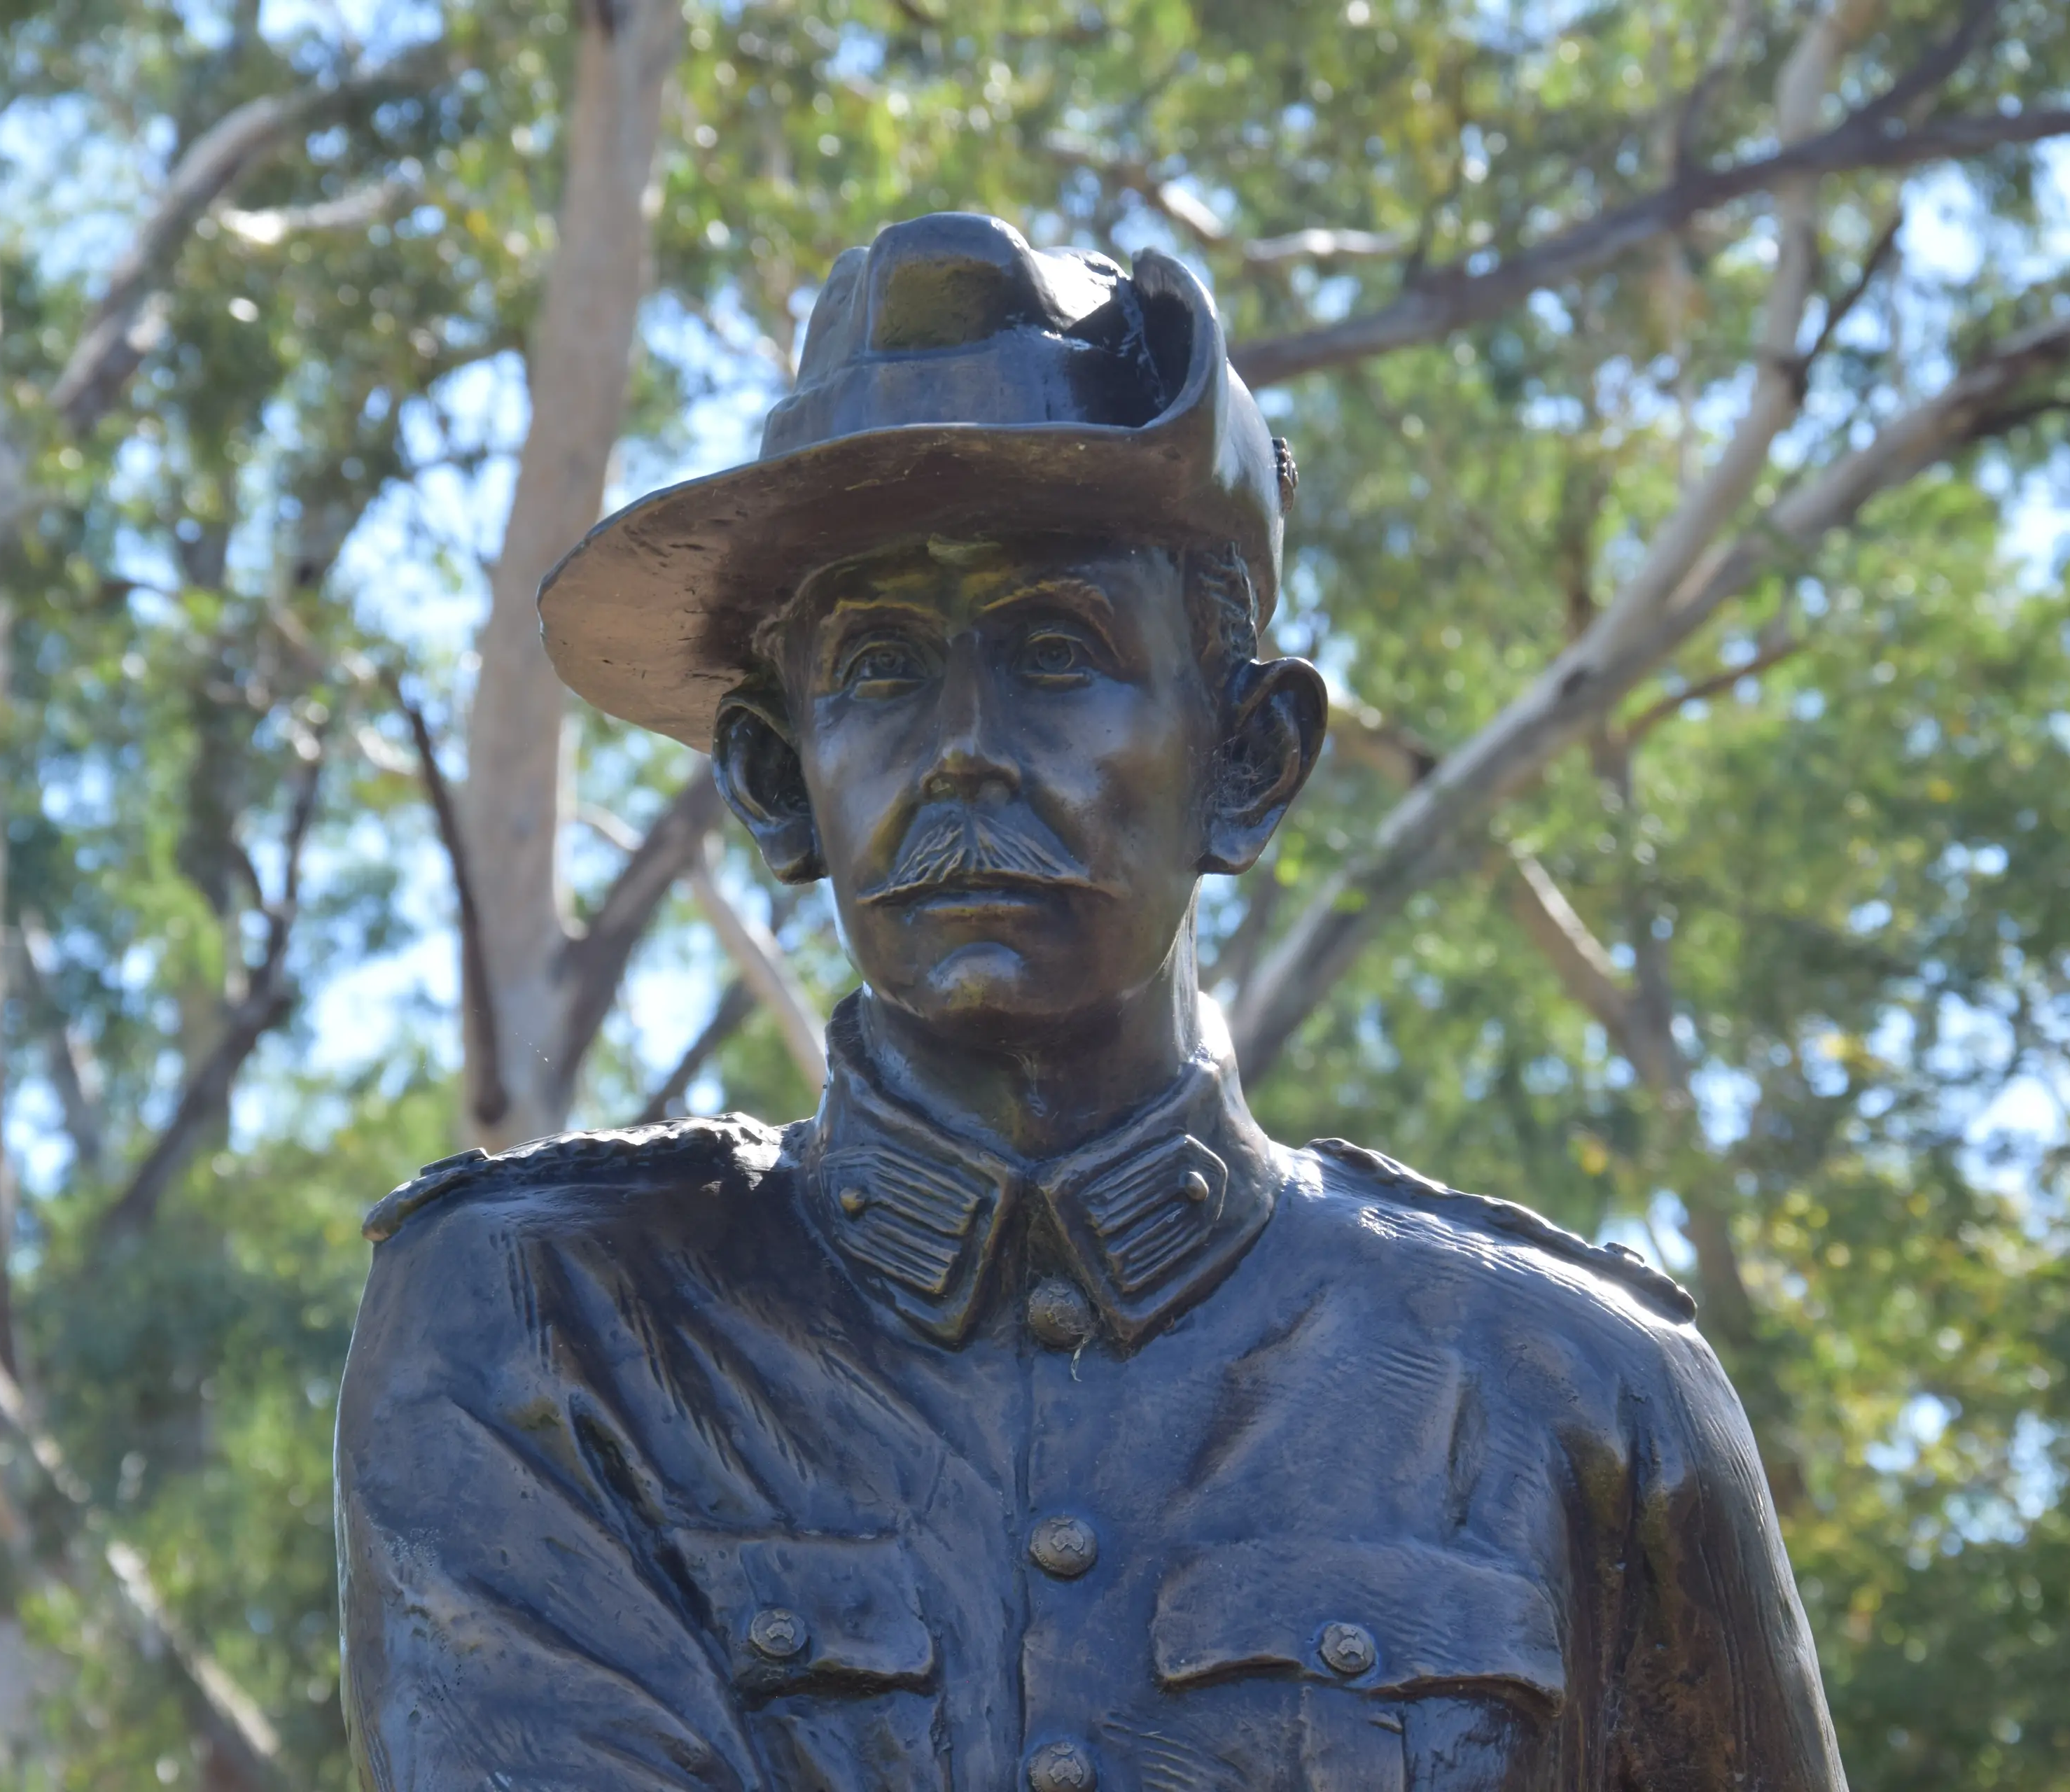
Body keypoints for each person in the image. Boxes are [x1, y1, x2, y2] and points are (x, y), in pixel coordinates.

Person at [336, 211, 1847, 1792]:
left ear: (1250, 762)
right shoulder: (540, 1324)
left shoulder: (1580, 1396)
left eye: (1058, 650)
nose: (963, 749)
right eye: (877, 669)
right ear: (778, 790)